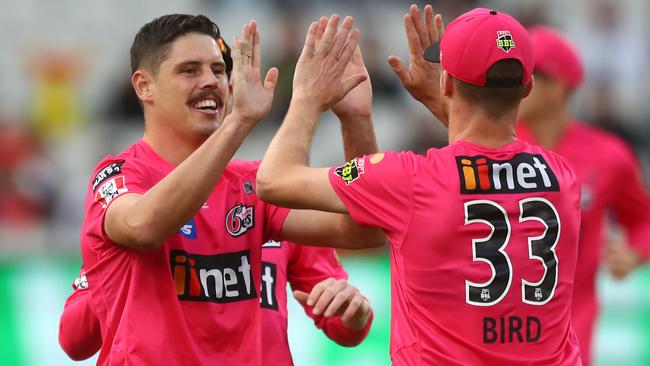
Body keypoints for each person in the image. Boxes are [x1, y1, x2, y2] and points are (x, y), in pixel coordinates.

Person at [257, 6, 583, 365]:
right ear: (527, 88)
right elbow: (489, 160)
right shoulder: (563, 177)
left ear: (446, 82)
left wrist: (307, 97)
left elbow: (274, 180)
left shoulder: (411, 179)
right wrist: (439, 102)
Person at [78, 14, 382, 366]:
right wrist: (240, 121)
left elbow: (366, 228)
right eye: (189, 70)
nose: (211, 81)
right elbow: (144, 227)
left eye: (218, 70)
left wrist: (356, 119)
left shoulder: (254, 185)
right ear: (144, 86)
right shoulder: (117, 176)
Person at [516, 26, 650, 366]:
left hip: (571, 328)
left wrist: (634, 254)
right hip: (499, 323)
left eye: (529, 74)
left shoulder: (609, 156)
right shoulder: (494, 146)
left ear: (559, 87)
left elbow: (644, 220)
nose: (517, 84)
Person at [60, 242, 373, 364]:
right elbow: (75, 340)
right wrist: (128, 259)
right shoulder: (132, 206)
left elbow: (342, 326)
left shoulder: (267, 196)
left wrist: (353, 311)